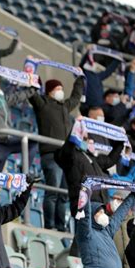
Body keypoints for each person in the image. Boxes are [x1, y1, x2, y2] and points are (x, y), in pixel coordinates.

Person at [29, 75, 84, 230]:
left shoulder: (64, 106)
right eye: (58, 89)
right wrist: (32, 74)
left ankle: (61, 227)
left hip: (66, 157)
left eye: (61, 89)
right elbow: (32, 92)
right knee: (52, 192)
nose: (61, 91)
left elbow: (76, 96)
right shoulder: (42, 104)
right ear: (50, 91)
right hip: (51, 155)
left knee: (64, 194)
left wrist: (80, 78)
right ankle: (49, 226)